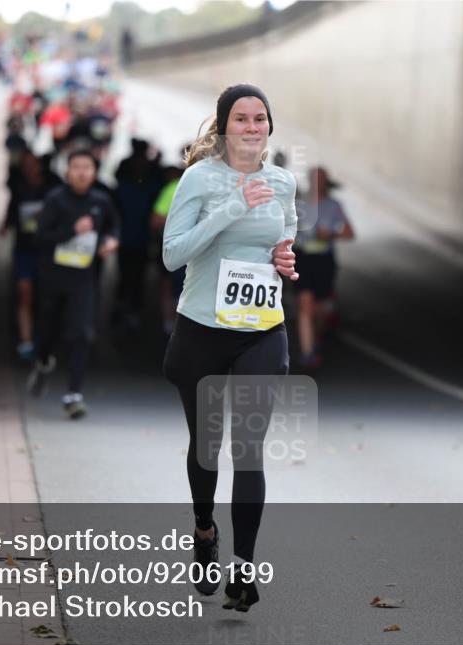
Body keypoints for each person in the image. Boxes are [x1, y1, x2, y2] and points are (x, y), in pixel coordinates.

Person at [162, 84, 298, 612]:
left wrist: (286, 263)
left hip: (263, 328)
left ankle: (244, 569)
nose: (251, 127)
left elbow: (283, 246)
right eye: (240, 119)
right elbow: (174, 255)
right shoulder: (200, 179)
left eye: (259, 118)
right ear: (223, 128)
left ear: (269, 126)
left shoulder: (283, 182)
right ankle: (203, 529)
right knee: (207, 447)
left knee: (248, 449)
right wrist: (230, 207)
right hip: (202, 329)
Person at [28, 149, 120, 418]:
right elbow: (39, 238)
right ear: (67, 172)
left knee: (82, 333)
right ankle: (43, 362)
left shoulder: (101, 201)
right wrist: (72, 231)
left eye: (87, 167)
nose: (81, 172)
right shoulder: (56, 200)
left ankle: (73, 395)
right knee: (49, 331)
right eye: (76, 167)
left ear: (95, 172)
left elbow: (114, 226)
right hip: (53, 279)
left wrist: (110, 241)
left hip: (84, 280)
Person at [0, 152, 63, 361]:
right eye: (24, 164)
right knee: (24, 293)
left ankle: (44, 339)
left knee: (45, 299)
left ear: (39, 167)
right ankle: (26, 341)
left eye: (32, 164)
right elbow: (12, 210)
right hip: (24, 249)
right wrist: (6, 225)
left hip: (46, 252)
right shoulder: (19, 188)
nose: (28, 168)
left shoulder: (52, 190)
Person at [294, 166, 355, 369]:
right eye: (314, 179)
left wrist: (330, 235)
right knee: (305, 303)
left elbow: (349, 232)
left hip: (324, 259)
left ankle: (315, 339)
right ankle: (308, 353)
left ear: (326, 182)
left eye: (321, 180)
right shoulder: (299, 203)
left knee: (320, 310)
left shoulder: (333, 206)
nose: (317, 183)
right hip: (302, 257)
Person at [113, 138, 162, 332]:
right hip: (136, 237)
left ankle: (125, 308)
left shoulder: (124, 185)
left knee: (129, 276)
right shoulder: (149, 186)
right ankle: (129, 310)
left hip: (132, 237)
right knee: (133, 276)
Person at [150, 161, 185, 337]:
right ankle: (170, 324)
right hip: (179, 251)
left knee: (171, 287)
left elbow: (155, 221)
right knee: (171, 286)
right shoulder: (175, 187)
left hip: (181, 251)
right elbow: (156, 220)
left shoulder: (175, 186)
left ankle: (170, 324)